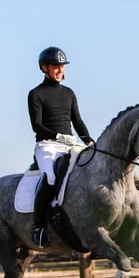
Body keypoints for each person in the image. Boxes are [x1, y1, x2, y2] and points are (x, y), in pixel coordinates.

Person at [28, 46, 93, 247]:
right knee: (51, 177)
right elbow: (36, 125)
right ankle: (38, 227)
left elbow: (78, 122)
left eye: (62, 66)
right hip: (47, 145)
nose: (60, 70)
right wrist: (58, 136)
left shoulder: (69, 93)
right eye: (55, 67)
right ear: (44, 68)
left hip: (70, 144)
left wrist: (89, 141)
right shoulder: (35, 94)